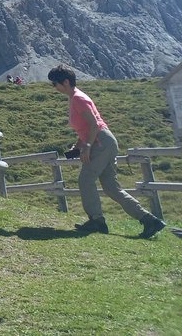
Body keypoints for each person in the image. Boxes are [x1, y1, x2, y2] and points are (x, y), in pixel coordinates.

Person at [47, 64, 166, 238]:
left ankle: (97, 221)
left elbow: (94, 125)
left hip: (100, 142)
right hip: (105, 141)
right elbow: (88, 127)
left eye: (54, 84)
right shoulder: (76, 98)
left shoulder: (78, 99)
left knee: (86, 180)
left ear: (65, 82)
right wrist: (79, 145)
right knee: (111, 188)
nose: (54, 88)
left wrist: (87, 147)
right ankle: (150, 220)